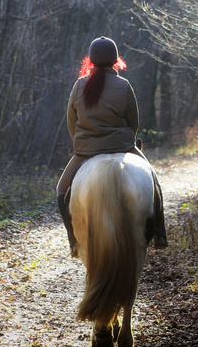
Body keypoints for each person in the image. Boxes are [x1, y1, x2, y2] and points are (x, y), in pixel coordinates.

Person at [56, 36, 168, 256]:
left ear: (91, 59)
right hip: (122, 146)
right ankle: (160, 235)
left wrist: (83, 144)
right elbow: (133, 122)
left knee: (61, 192)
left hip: (86, 151)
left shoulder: (80, 85)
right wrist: (125, 141)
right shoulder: (124, 85)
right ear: (115, 59)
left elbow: (72, 121)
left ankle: (74, 242)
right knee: (154, 182)